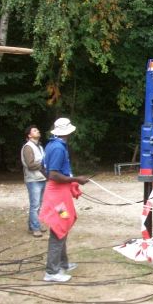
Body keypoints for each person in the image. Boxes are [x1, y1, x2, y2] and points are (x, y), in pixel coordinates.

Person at [39, 118, 89, 283]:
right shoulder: (59, 148)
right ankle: (52, 272)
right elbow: (53, 174)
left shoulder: (51, 144)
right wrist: (76, 179)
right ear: (68, 132)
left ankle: (63, 263)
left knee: (62, 226)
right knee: (59, 228)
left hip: (57, 193)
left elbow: (42, 167)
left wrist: (69, 181)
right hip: (57, 198)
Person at [21, 125, 47, 237]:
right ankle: (36, 228)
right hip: (33, 180)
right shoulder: (28, 147)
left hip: (41, 178)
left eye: (38, 129)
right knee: (35, 205)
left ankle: (32, 226)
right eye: (35, 130)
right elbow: (30, 165)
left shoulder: (40, 147)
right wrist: (44, 165)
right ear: (29, 135)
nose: (38, 131)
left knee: (38, 205)